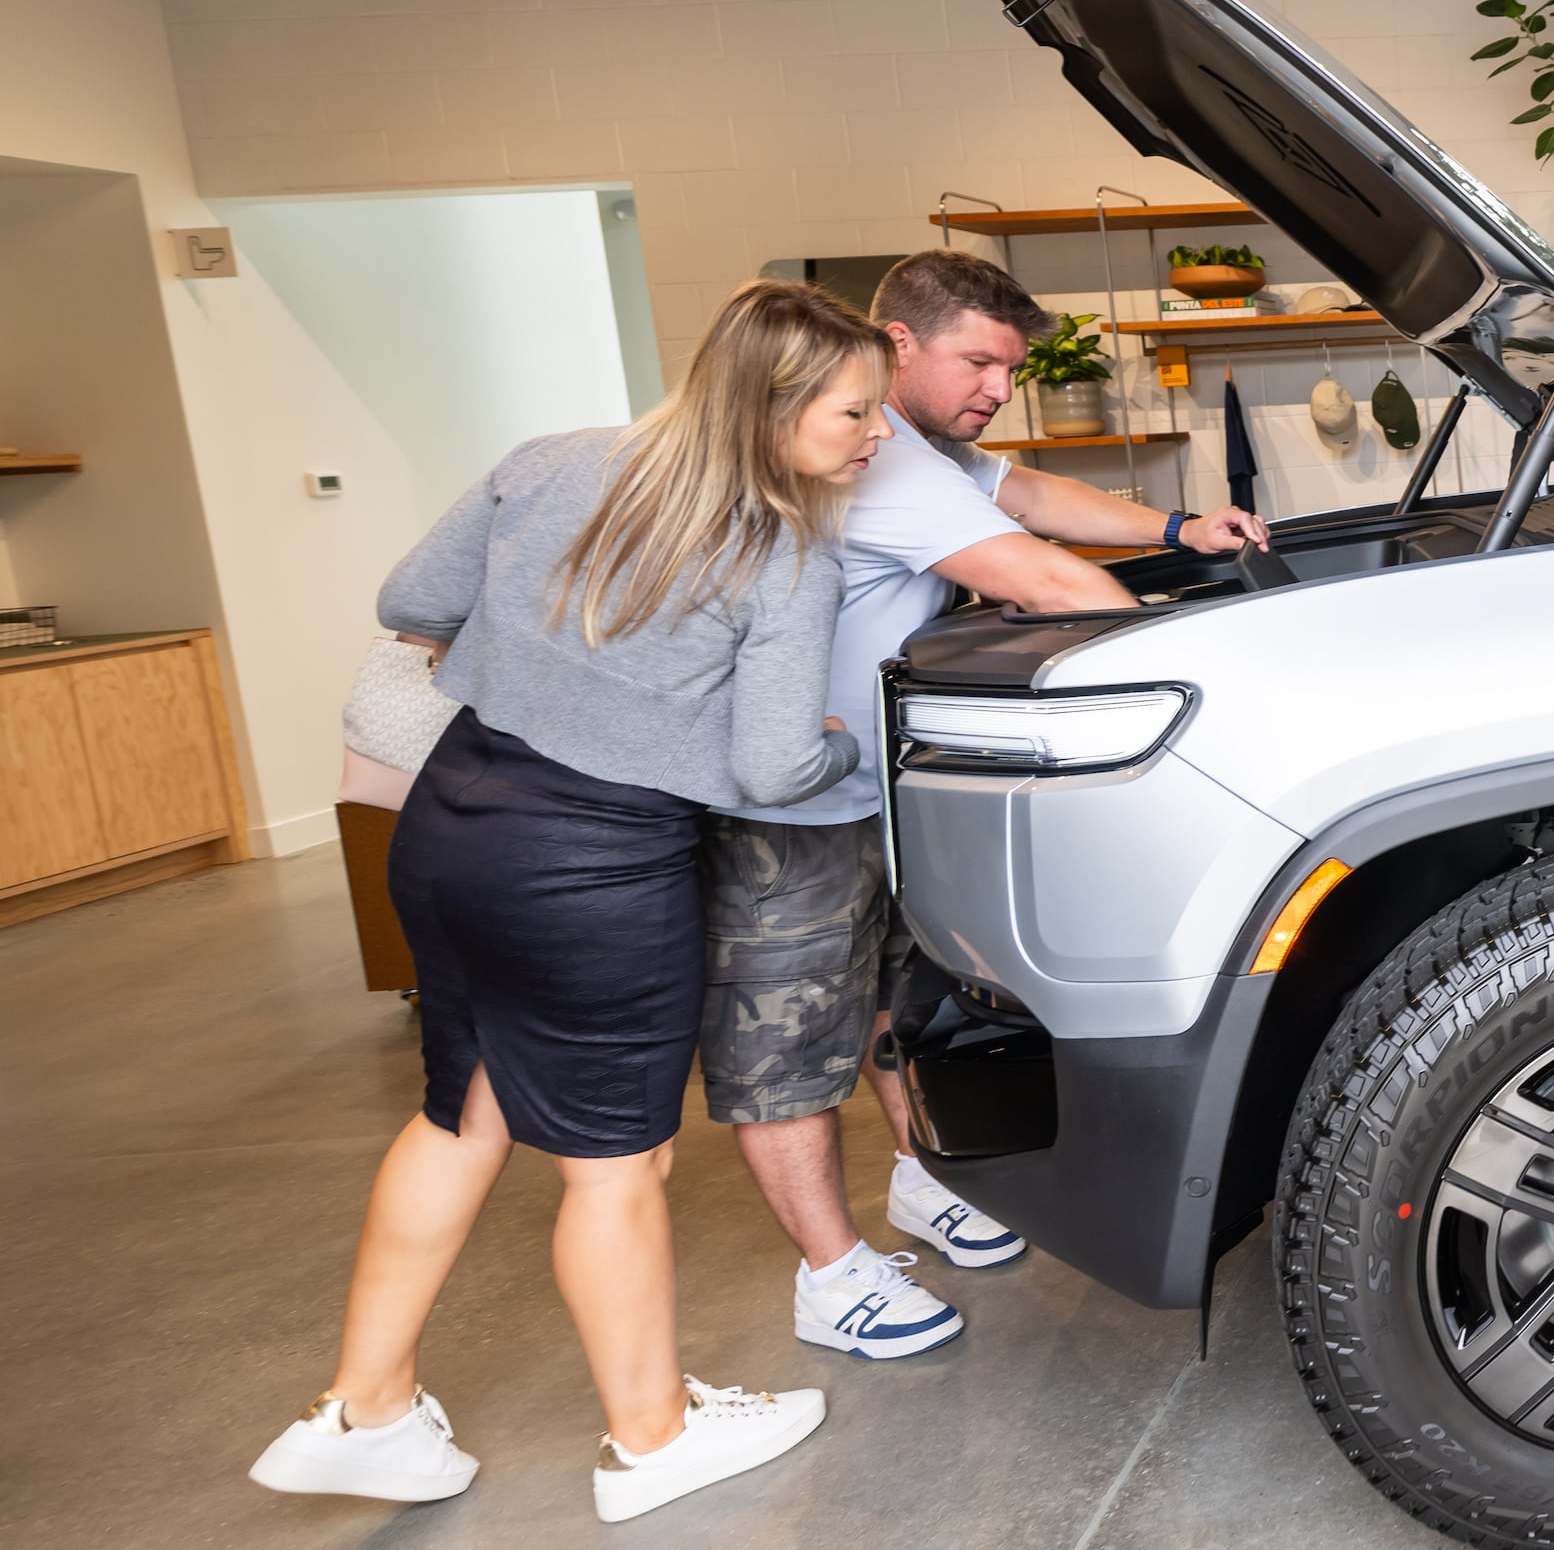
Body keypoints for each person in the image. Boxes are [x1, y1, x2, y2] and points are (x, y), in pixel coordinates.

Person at [251, 280, 893, 1523]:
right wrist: (843, 751)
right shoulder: (785, 542)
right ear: (770, 408)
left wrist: (549, 656)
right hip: (592, 867)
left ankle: (368, 1407)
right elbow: (769, 769)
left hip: (450, 826)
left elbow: (411, 605)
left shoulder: (550, 463)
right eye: (854, 413)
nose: (874, 436)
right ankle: (653, 1437)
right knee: (617, 1163)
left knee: (461, 1116)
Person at [705, 247, 1270, 1359]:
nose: (995, 391)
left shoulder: (913, 444)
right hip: (785, 804)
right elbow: (1048, 576)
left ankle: (918, 1180)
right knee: (784, 1051)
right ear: (898, 344)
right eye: (978, 363)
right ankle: (831, 1277)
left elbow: (1028, 494)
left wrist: (1174, 531)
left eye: (1010, 371)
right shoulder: (882, 457)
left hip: (871, 791)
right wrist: (1208, 696)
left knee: (881, 1009)